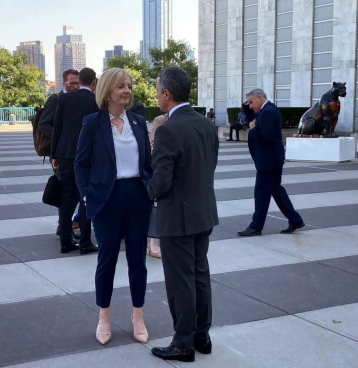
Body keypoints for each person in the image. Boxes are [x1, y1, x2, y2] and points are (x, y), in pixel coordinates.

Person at [75, 68, 153, 346]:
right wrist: (87, 196)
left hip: (138, 197)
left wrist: (151, 189)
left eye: (130, 86)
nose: (127, 91)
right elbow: (80, 164)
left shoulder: (139, 122)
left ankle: (138, 316)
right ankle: (104, 317)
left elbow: (147, 164)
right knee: (106, 260)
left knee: (138, 262)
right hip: (107, 199)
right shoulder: (92, 123)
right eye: (121, 86)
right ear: (107, 91)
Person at [148, 66, 219, 363]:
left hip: (177, 218)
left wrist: (146, 188)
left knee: (180, 282)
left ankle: (183, 343)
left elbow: (161, 183)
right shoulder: (206, 124)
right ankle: (202, 336)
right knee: (199, 276)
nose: (156, 95)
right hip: (203, 212)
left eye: (157, 90)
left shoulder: (168, 130)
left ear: (167, 93)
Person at [237, 88, 304, 237]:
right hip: (271, 159)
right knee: (276, 191)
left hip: (269, 161)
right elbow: (254, 119)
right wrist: (250, 113)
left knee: (261, 193)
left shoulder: (268, 112)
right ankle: (295, 220)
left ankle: (256, 226)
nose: (250, 106)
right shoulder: (266, 110)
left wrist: (253, 129)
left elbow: (265, 137)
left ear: (260, 98)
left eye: (251, 102)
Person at [51, 67, 99, 255]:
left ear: (80, 81)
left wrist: (55, 154)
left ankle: (65, 241)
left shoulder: (64, 98)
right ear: (94, 82)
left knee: (66, 199)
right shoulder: (96, 100)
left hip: (66, 155)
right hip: (88, 157)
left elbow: (57, 128)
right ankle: (86, 242)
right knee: (85, 199)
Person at [38, 69, 80, 238]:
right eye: (72, 84)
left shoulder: (78, 100)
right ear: (64, 84)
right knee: (66, 191)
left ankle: (66, 226)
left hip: (73, 153)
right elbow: (44, 124)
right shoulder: (56, 99)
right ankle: (64, 228)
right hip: (59, 154)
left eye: (78, 83)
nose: (76, 87)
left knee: (74, 191)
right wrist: (62, 138)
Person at [146, 112, 169, 259]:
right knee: (156, 203)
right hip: (160, 163)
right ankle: (153, 241)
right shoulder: (160, 120)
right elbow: (153, 142)